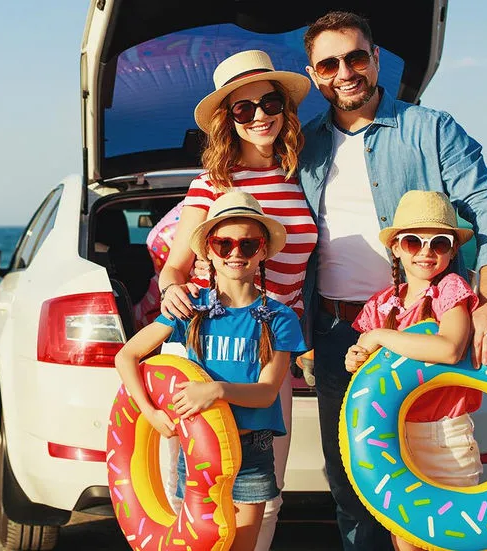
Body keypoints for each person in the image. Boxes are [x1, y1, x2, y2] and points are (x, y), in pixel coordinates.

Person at [296, 11, 487, 551]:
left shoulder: (433, 129)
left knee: (435, 475)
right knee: (352, 482)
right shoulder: (301, 148)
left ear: (375, 60)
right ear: (314, 73)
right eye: (329, 63)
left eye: (355, 57)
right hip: (336, 337)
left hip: (424, 337)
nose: (344, 72)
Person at [154, 49, 316, 550]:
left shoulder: (303, 178)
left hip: (268, 348)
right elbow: (175, 270)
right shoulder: (212, 184)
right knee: (191, 488)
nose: (260, 116)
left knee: (265, 494)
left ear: (285, 109)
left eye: (269, 103)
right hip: (205, 348)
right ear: (229, 121)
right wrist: (172, 292)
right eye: (244, 110)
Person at [116, 191, 308, 551]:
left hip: (253, 451)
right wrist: (150, 412)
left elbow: (268, 391)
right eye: (224, 244)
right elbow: (127, 356)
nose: (236, 253)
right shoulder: (190, 309)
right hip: (200, 450)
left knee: (242, 546)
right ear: (208, 250)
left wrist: (215, 390)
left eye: (248, 245)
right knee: (201, 544)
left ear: (263, 251)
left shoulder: (280, 318)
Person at [343, 191, 483, 551]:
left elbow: (449, 348)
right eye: (413, 241)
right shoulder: (380, 304)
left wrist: (378, 336)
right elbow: (368, 373)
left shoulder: (450, 290)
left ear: (453, 251)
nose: (426, 251)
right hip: (396, 438)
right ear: (397, 248)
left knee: (455, 538)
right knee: (407, 541)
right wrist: (355, 357)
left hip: (446, 437)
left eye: (439, 242)